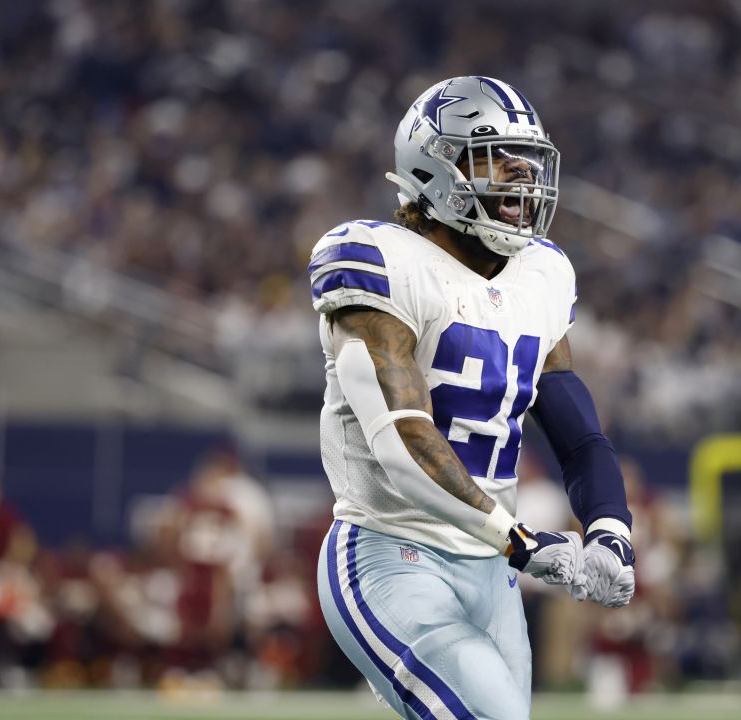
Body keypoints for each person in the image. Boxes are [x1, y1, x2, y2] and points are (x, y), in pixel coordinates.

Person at [309, 76, 637, 720]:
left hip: (490, 571)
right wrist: (518, 540)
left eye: (527, 161)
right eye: (494, 159)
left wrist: (611, 529)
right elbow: (404, 439)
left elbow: (577, 433)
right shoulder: (380, 261)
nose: (520, 179)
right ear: (435, 169)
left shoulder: (540, 273)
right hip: (390, 550)